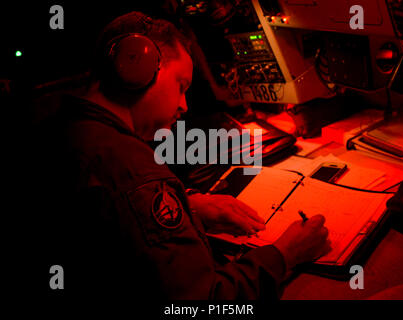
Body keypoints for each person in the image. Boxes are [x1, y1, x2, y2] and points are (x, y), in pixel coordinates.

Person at [32, 11, 331, 299]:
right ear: (137, 67)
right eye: (181, 86)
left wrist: (188, 207)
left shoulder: (62, 130)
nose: (184, 105)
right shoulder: (134, 172)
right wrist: (285, 255)